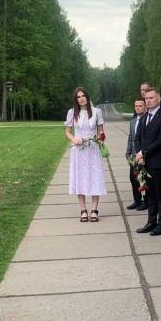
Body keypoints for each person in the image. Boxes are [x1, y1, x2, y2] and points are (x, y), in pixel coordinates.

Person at [65, 87, 106, 222]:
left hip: (93, 150)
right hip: (79, 151)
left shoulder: (96, 112)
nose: (81, 99)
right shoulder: (72, 113)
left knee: (95, 177)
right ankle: (83, 210)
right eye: (78, 97)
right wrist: (75, 140)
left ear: (87, 97)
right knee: (80, 178)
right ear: (76, 99)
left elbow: (101, 131)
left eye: (83, 96)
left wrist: (99, 137)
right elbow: (68, 132)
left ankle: (94, 210)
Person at [135, 87, 161, 236]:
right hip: (145, 163)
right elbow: (138, 137)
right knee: (149, 194)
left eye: (151, 98)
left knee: (160, 194)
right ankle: (151, 222)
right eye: (146, 98)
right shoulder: (144, 117)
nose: (148, 101)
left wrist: (144, 152)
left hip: (158, 162)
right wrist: (139, 154)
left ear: (158, 99)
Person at [125, 99, 147, 211]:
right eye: (136, 106)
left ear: (145, 107)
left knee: (145, 178)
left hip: (144, 154)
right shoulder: (133, 121)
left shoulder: (147, 120)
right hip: (134, 155)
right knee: (133, 178)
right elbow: (131, 138)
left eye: (140, 106)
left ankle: (146, 201)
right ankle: (137, 200)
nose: (138, 108)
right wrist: (128, 152)